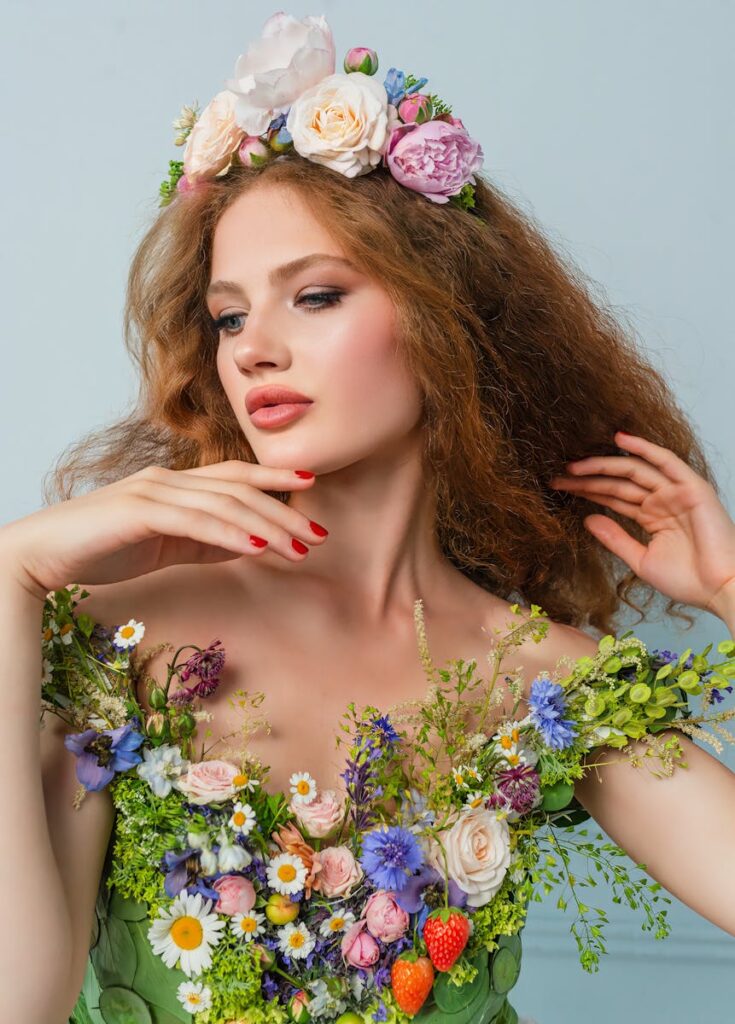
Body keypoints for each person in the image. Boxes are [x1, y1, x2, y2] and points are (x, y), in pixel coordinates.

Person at [1, 11, 733, 1024]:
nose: (254, 348)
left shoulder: (554, 684)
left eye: (316, 296)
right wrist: (9, 579)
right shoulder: (120, 635)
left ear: (442, 321)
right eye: (228, 314)